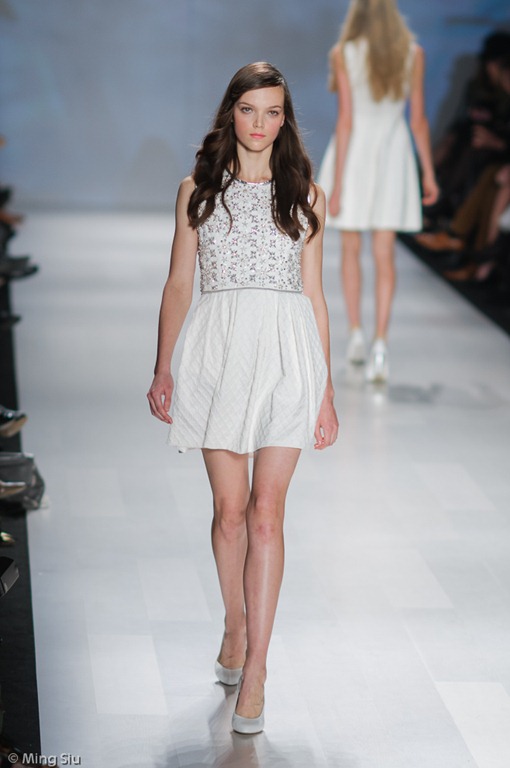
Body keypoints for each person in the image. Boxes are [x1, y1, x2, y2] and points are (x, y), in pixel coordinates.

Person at [147, 62, 338, 735]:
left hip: (288, 355)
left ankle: (256, 669)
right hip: (219, 354)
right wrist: (163, 366)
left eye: (273, 112)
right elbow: (178, 284)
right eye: (250, 110)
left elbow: (315, 295)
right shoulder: (197, 191)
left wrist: (326, 390)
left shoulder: (307, 196)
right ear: (231, 112)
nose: (261, 123)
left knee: (265, 515)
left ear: (286, 120)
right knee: (229, 513)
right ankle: (235, 624)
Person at [318, 0, 439, 382]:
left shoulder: (344, 53)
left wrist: (337, 184)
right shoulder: (412, 54)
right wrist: (428, 174)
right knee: (384, 254)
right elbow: (418, 120)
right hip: (392, 154)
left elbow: (345, 121)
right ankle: (381, 344)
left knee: (350, 249)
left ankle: (356, 333)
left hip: (354, 154)